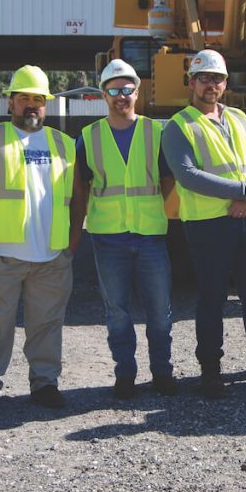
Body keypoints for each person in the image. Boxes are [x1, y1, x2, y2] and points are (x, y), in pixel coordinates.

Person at [162, 48, 246, 399]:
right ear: (192, 82)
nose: (211, 84)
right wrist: (241, 191)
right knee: (211, 299)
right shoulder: (179, 126)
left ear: (225, 83)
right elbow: (187, 175)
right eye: (204, 78)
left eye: (217, 78)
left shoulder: (237, 117)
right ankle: (211, 372)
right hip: (207, 226)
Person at [0, 65, 77, 414]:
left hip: (51, 256)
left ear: (46, 105)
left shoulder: (64, 144)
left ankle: (45, 383)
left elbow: (78, 195)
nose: (31, 105)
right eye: (23, 97)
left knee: (47, 325)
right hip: (0, 254)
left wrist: (72, 239)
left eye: (38, 99)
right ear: (10, 102)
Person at [72, 59, 177, 400]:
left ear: (137, 90)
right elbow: (81, 189)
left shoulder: (155, 131)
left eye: (127, 89)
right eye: (114, 90)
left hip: (149, 234)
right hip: (108, 237)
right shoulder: (89, 137)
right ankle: (125, 374)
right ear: (103, 94)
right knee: (117, 312)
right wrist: (76, 231)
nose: (122, 96)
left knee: (159, 311)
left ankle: (162, 372)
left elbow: (167, 179)